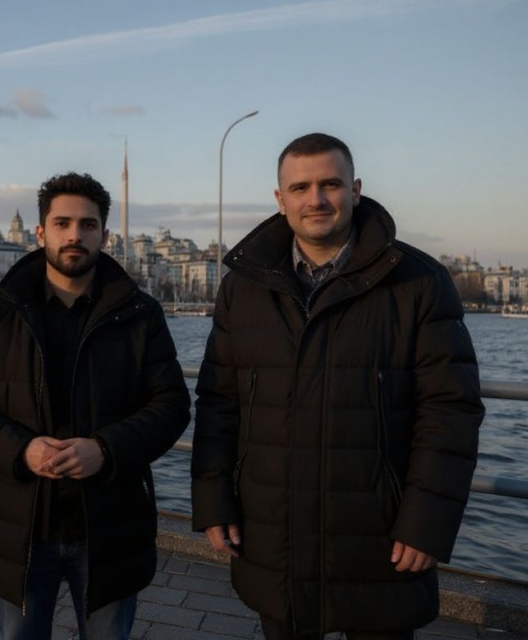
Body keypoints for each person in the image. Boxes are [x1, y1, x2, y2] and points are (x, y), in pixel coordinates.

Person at [191, 133, 484, 640]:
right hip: (276, 537)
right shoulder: (244, 286)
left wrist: (427, 522)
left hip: (381, 538)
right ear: (280, 199)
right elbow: (220, 402)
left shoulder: (417, 281)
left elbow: (450, 410)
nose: (316, 199)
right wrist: (213, 500)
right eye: (300, 188)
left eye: (330, 184)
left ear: (356, 189)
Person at [0, 172, 190, 639]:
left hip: (110, 527)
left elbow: (172, 405)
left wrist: (105, 450)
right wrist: (22, 451)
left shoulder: (140, 314)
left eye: (87, 225)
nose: (75, 235)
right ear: (40, 233)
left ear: (105, 235)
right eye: (62, 223)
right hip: (21, 525)